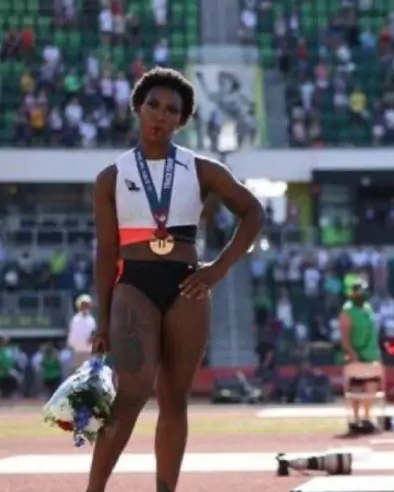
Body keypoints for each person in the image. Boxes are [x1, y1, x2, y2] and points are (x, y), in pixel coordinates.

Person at [87, 67, 264, 492]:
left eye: (172, 110)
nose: (160, 116)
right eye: (153, 105)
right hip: (134, 283)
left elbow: (253, 211)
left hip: (188, 284)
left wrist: (218, 270)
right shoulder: (111, 177)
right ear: (137, 107)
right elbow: (106, 253)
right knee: (131, 392)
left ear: (181, 121)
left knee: (174, 397)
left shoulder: (201, 168)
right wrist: (102, 318)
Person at [339, 280, 382, 430]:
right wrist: (351, 353)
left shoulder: (367, 308)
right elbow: (344, 337)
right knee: (356, 387)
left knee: (371, 386)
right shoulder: (347, 311)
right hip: (356, 355)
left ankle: (367, 416)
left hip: (371, 354)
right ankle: (356, 418)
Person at [67, 294, 97, 367]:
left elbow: (93, 334)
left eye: (87, 305)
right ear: (79, 306)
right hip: (77, 352)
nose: (86, 307)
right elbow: (72, 337)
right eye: (84, 305)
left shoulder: (91, 320)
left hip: (89, 352)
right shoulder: (75, 320)